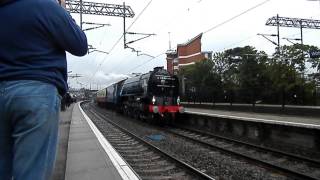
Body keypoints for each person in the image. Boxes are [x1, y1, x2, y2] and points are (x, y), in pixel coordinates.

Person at [0, 0, 88, 179]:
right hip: (36, 95)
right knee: (32, 172)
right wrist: (65, 13)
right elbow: (80, 45)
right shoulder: (47, 7)